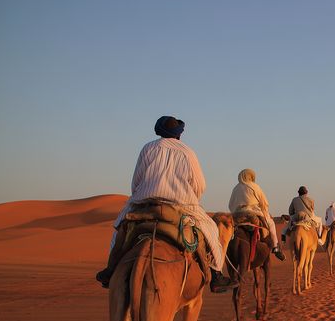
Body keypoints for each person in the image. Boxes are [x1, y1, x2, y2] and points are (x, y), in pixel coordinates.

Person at [96, 116, 236, 292]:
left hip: (145, 202)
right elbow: (200, 185)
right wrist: (192, 199)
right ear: (179, 134)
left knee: (119, 228)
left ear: (159, 131)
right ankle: (216, 274)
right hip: (181, 204)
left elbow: (136, 182)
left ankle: (111, 270)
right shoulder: (188, 152)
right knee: (211, 230)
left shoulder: (148, 148)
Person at [228, 168, 285, 260]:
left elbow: (230, 205)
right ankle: (275, 247)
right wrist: (265, 212)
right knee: (271, 224)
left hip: (237, 215)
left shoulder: (235, 188)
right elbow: (264, 203)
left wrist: (236, 211)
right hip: (253, 213)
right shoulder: (254, 186)